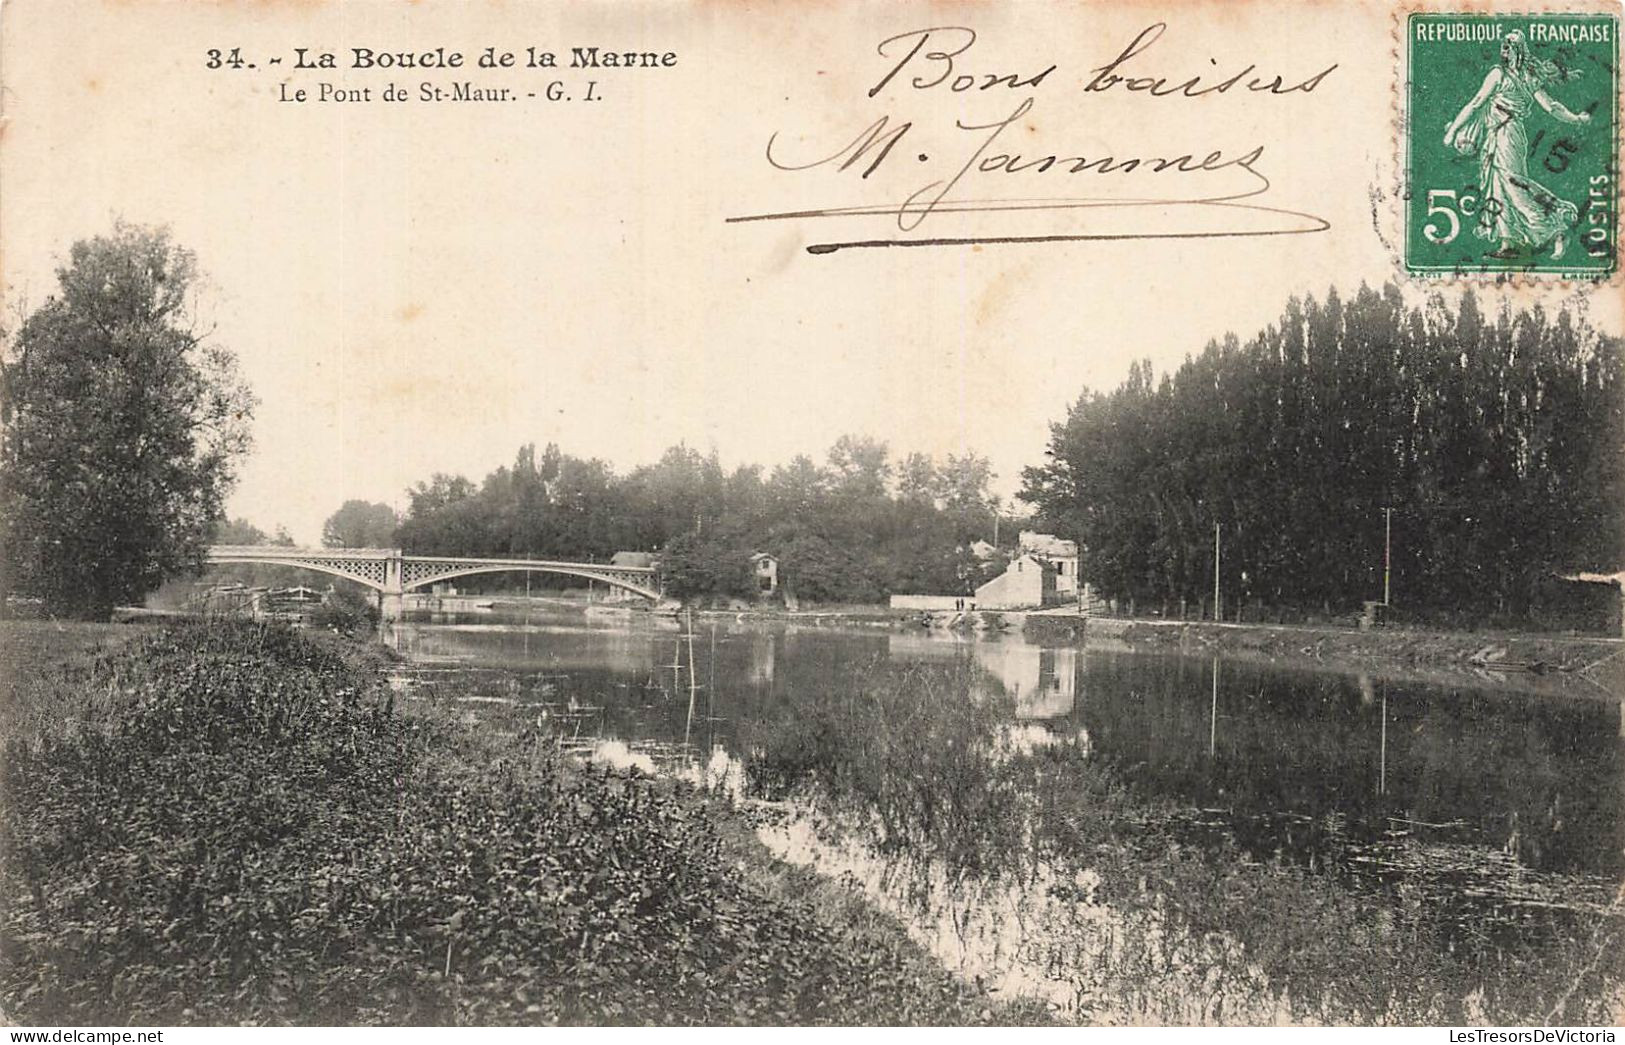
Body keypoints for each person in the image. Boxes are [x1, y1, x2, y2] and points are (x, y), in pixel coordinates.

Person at [1443, 30, 1591, 258]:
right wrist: (1454, 130)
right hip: (1497, 134)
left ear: (1518, 49)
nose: (1504, 47)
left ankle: (1555, 229)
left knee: (1513, 185)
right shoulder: (1505, 74)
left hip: (1508, 135)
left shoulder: (1517, 77)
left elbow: (1551, 106)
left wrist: (1576, 119)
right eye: (1504, 44)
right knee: (1497, 185)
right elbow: (1477, 103)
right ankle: (1508, 243)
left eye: (1509, 44)